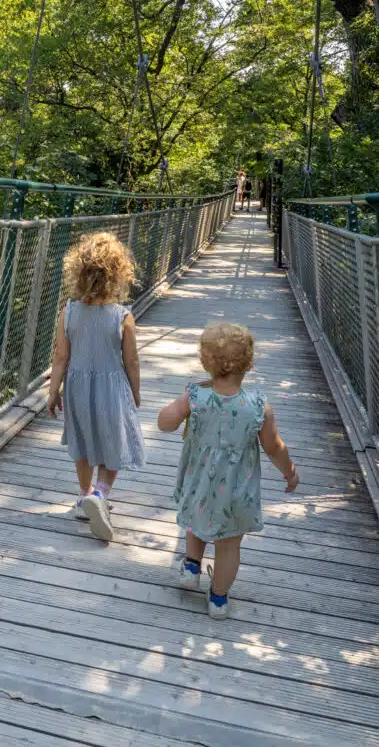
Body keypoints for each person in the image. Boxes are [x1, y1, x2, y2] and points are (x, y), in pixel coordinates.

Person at [157, 322, 298, 618]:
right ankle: (218, 600)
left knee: (195, 520)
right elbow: (274, 447)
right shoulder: (258, 406)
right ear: (248, 363)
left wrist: (176, 411)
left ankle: (192, 565)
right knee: (229, 545)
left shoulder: (195, 397)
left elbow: (164, 423)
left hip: (199, 482)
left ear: (205, 362)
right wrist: (289, 472)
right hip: (236, 490)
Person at [47, 231, 144, 542]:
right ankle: (100, 494)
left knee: (83, 443)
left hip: (77, 387)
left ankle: (84, 495)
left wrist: (53, 393)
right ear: (118, 275)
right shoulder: (122, 317)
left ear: (78, 272)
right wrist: (136, 392)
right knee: (114, 441)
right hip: (112, 389)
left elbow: (61, 357)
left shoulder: (69, 312)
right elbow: (132, 362)